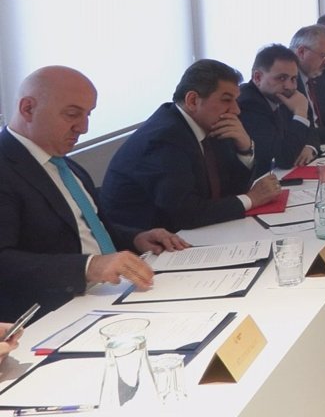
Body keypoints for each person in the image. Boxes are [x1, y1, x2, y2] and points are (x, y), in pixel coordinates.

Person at [1, 66, 189, 321]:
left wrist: (136, 238)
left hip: (111, 294)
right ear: (28, 109)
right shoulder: (6, 167)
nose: (83, 127)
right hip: (52, 314)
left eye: (88, 114)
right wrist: (88, 267)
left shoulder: (65, 165)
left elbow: (90, 229)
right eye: (72, 114)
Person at [100, 60, 283, 232]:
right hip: (143, 243)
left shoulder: (209, 124)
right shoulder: (165, 138)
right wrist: (251, 199)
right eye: (227, 100)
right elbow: (186, 214)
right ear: (193, 100)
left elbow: (230, 190)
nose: (236, 109)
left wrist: (244, 148)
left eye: (236, 100)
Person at [238, 44, 319, 176]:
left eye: (293, 79)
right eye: (281, 78)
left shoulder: (280, 96)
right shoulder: (249, 104)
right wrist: (300, 113)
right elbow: (284, 158)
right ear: (257, 77)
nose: (289, 86)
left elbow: (310, 130)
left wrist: (309, 147)